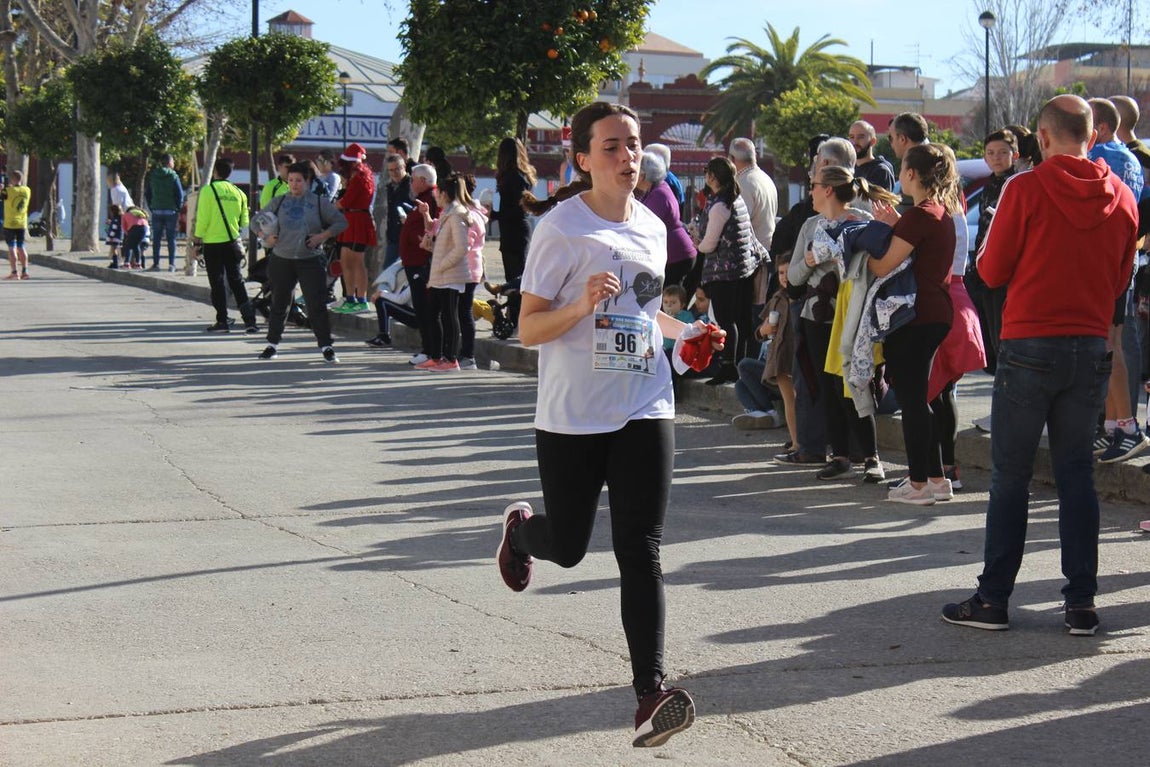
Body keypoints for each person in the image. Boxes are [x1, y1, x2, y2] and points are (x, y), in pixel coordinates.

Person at [496, 101, 725, 748]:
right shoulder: (561, 229)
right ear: (583, 159)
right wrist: (579, 303)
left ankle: (651, 694)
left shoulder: (653, 226)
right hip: (573, 413)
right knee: (568, 545)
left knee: (641, 547)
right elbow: (530, 326)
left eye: (633, 145)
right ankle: (520, 535)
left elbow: (645, 314)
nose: (628, 157)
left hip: (643, 405)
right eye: (612, 147)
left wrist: (691, 334)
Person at [941, 94, 1138, 636]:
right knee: (1078, 475)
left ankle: (994, 599)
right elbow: (1122, 281)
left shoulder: (1024, 189)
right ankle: (1081, 604)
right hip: (1090, 346)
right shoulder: (1122, 196)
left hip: (1031, 342)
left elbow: (993, 268)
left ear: (1043, 138)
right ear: (1092, 136)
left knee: (1011, 476)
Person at [870, 143, 961, 505]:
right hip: (933, 311)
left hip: (917, 315)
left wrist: (876, 233)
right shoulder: (937, 211)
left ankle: (919, 482)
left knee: (912, 400)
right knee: (922, 398)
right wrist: (895, 226)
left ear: (911, 174)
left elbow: (882, 265)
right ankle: (937, 479)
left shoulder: (920, 214)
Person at [798, 164, 900, 482]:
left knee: (857, 381)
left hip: (853, 310)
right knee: (830, 386)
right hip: (821, 313)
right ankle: (840, 455)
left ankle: (870, 457)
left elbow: (871, 256)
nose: (810, 191)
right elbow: (797, 275)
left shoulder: (860, 222)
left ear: (828, 189)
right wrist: (808, 260)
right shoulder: (815, 225)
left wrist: (825, 253)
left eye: (813, 185)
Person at [1087, 97, 1149, 464]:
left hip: (1109, 265)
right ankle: (1114, 425)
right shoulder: (1124, 157)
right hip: (1117, 264)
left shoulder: (1106, 158)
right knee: (1107, 344)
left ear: (1104, 128)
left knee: (1111, 344)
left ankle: (1126, 426)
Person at [254, 161, 347, 364]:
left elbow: (341, 222)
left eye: (298, 181)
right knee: (279, 303)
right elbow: (256, 221)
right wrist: (265, 237)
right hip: (281, 259)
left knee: (316, 305)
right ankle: (272, 345)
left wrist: (322, 236)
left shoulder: (319, 202)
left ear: (308, 181)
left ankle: (326, 347)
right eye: (291, 181)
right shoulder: (279, 202)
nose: (294, 184)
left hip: (310, 260)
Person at [692, 156, 762, 385]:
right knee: (741, 319)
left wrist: (696, 241)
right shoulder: (735, 199)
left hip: (724, 271)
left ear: (712, 177)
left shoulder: (720, 206)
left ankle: (728, 366)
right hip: (743, 267)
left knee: (726, 320)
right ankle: (740, 364)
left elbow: (709, 244)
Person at [414, 173, 483, 372]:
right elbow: (443, 239)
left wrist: (443, 263)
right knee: (433, 314)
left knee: (449, 317)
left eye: (438, 192)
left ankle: (451, 359)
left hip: (451, 275)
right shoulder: (447, 214)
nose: (435, 196)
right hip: (441, 274)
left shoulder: (457, 215)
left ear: (444, 193)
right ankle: (436, 356)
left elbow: (462, 247)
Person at [967, 129, 1018, 374]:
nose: (996, 158)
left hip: (1006, 270)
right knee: (990, 335)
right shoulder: (989, 186)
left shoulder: (1017, 184)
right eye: (991, 153)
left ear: (1014, 155)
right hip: (984, 266)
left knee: (1004, 334)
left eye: (1002, 152)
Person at [194, 157, 258, 334]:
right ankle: (250, 320)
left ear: (215, 172)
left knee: (217, 283)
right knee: (237, 281)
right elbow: (244, 221)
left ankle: (222, 320)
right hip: (232, 243)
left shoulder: (208, 190)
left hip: (213, 244)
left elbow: (203, 220)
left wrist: (196, 242)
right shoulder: (239, 193)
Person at [635, 150, 696, 292]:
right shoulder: (657, 189)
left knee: (669, 300)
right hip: (676, 254)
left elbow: (646, 228)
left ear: (643, 175)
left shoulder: (658, 195)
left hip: (676, 256)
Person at [494, 137, 536, 328]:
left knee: (515, 276)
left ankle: (517, 317)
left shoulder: (512, 176)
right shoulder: (522, 175)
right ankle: (515, 315)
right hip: (517, 228)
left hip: (513, 230)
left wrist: (495, 214)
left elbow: (516, 208)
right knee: (517, 274)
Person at [400, 164, 439, 365]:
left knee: (425, 308)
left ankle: (430, 350)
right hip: (413, 261)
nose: (411, 182)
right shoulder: (423, 199)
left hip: (421, 262)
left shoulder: (430, 199)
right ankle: (428, 349)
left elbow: (431, 229)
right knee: (421, 306)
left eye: (413, 178)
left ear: (423, 181)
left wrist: (416, 239)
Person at [333, 142, 378, 313]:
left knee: (354, 262)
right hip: (354, 220)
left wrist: (336, 205)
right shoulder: (363, 175)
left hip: (356, 221)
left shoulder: (358, 177)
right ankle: (352, 298)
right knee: (348, 261)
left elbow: (347, 201)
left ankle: (359, 300)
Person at [144, 153, 185, 272]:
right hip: (171, 211)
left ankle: (156, 264)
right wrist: (178, 208)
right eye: (173, 162)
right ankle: (171, 265)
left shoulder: (154, 175)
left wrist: (152, 206)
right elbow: (180, 195)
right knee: (171, 238)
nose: (174, 164)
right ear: (169, 163)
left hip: (156, 210)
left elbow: (148, 193)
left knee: (156, 238)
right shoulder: (174, 176)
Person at [849, 120, 896, 191]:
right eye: (852, 137)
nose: (855, 142)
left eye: (861, 137)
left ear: (873, 141)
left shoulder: (880, 171)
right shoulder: (849, 168)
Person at [2, 170, 31, 280]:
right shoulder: (27, 190)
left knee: (12, 248)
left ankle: (14, 272)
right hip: (22, 223)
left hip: (10, 223)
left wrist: (3, 188)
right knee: (21, 247)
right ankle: (25, 271)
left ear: (13, 179)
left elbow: (2, 197)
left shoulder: (8, 191)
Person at [121, 204, 151, 271]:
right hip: (144, 229)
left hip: (134, 228)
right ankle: (138, 264)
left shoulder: (126, 215)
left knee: (128, 246)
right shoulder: (141, 215)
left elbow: (124, 228)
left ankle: (127, 264)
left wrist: (128, 235)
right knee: (136, 245)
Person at [105, 203, 124, 268]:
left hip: (115, 237)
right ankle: (116, 262)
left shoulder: (115, 219)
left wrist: (111, 236)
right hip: (119, 236)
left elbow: (114, 228)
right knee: (117, 249)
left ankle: (115, 263)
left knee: (114, 250)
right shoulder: (120, 218)